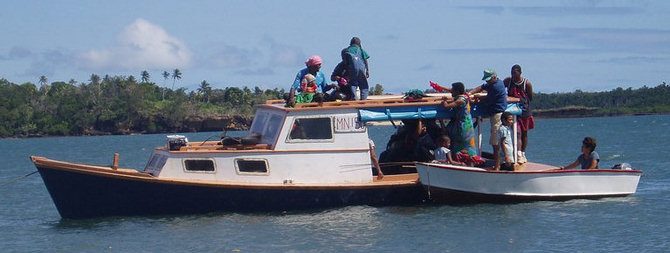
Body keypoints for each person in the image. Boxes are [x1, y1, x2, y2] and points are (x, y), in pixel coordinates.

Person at [468, 69, 508, 170]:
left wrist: (478, 98)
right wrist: (470, 93)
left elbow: (488, 99)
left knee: (495, 141)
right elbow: (482, 87)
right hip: (493, 114)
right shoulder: (492, 83)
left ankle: (497, 166)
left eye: (488, 80)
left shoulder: (497, 86)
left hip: (497, 115)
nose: (487, 82)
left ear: (494, 77)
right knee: (495, 140)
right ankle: (498, 163)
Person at [441, 82, 481, 166]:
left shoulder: (461, 100)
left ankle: (465, 165)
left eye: (453, 90)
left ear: (457, 91)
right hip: (466, 125)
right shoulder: (465, 97)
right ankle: (468, 165)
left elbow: (447, 106)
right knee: (467, 146)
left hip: (463, 127)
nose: (451, 92)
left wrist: (444, 100)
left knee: (462, 146)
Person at [504, 64, 534, 164]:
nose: (513, 75)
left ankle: (523, 153)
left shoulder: (527, 83)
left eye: (515, 73)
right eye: (512, 73)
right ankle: (518, 153)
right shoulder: (508, 81)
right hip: (512, 110)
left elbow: (530, 97)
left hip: (524, 110)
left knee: (524, 133)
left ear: (520, 73)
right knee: (517, 132)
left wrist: (521, 101)